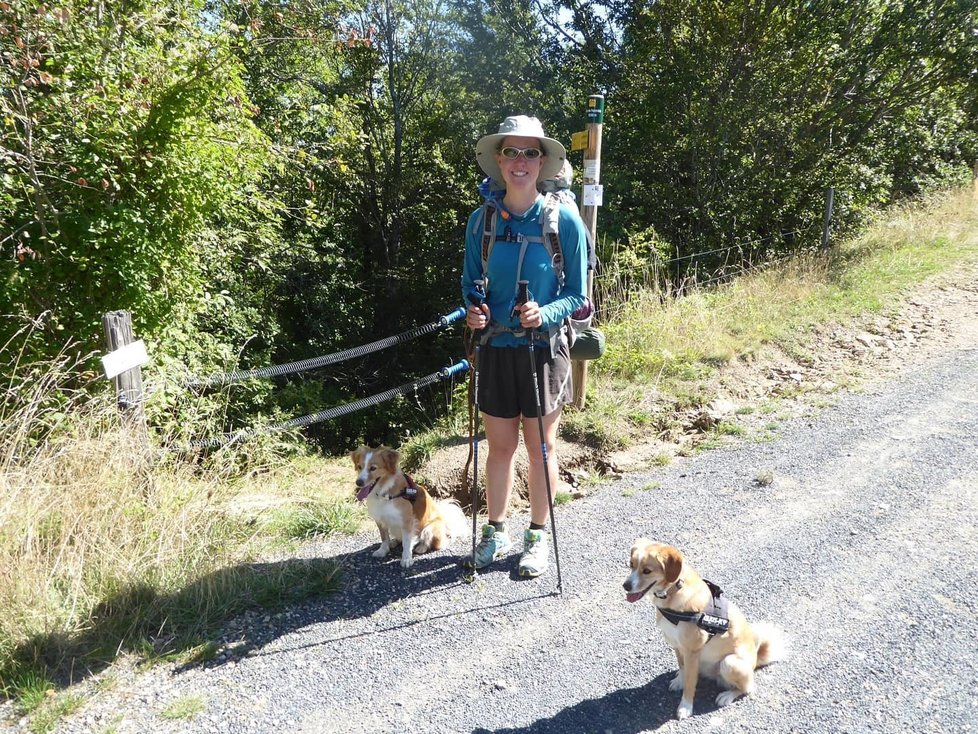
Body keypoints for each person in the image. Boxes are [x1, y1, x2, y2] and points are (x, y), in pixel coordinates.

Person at [461, 115, 588, 578]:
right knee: (497, 449)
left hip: (543, 351)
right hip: (496, 348)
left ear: (542, 162)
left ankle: (537, 537)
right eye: (511, 152)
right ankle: (495, 531)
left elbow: (578, 294)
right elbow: (468, 285)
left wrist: (546, 313)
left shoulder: (564, 222)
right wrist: (474, 310)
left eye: (529, 153)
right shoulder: (482, 221)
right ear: (498, 160)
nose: (520, 161)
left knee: (541, 449)